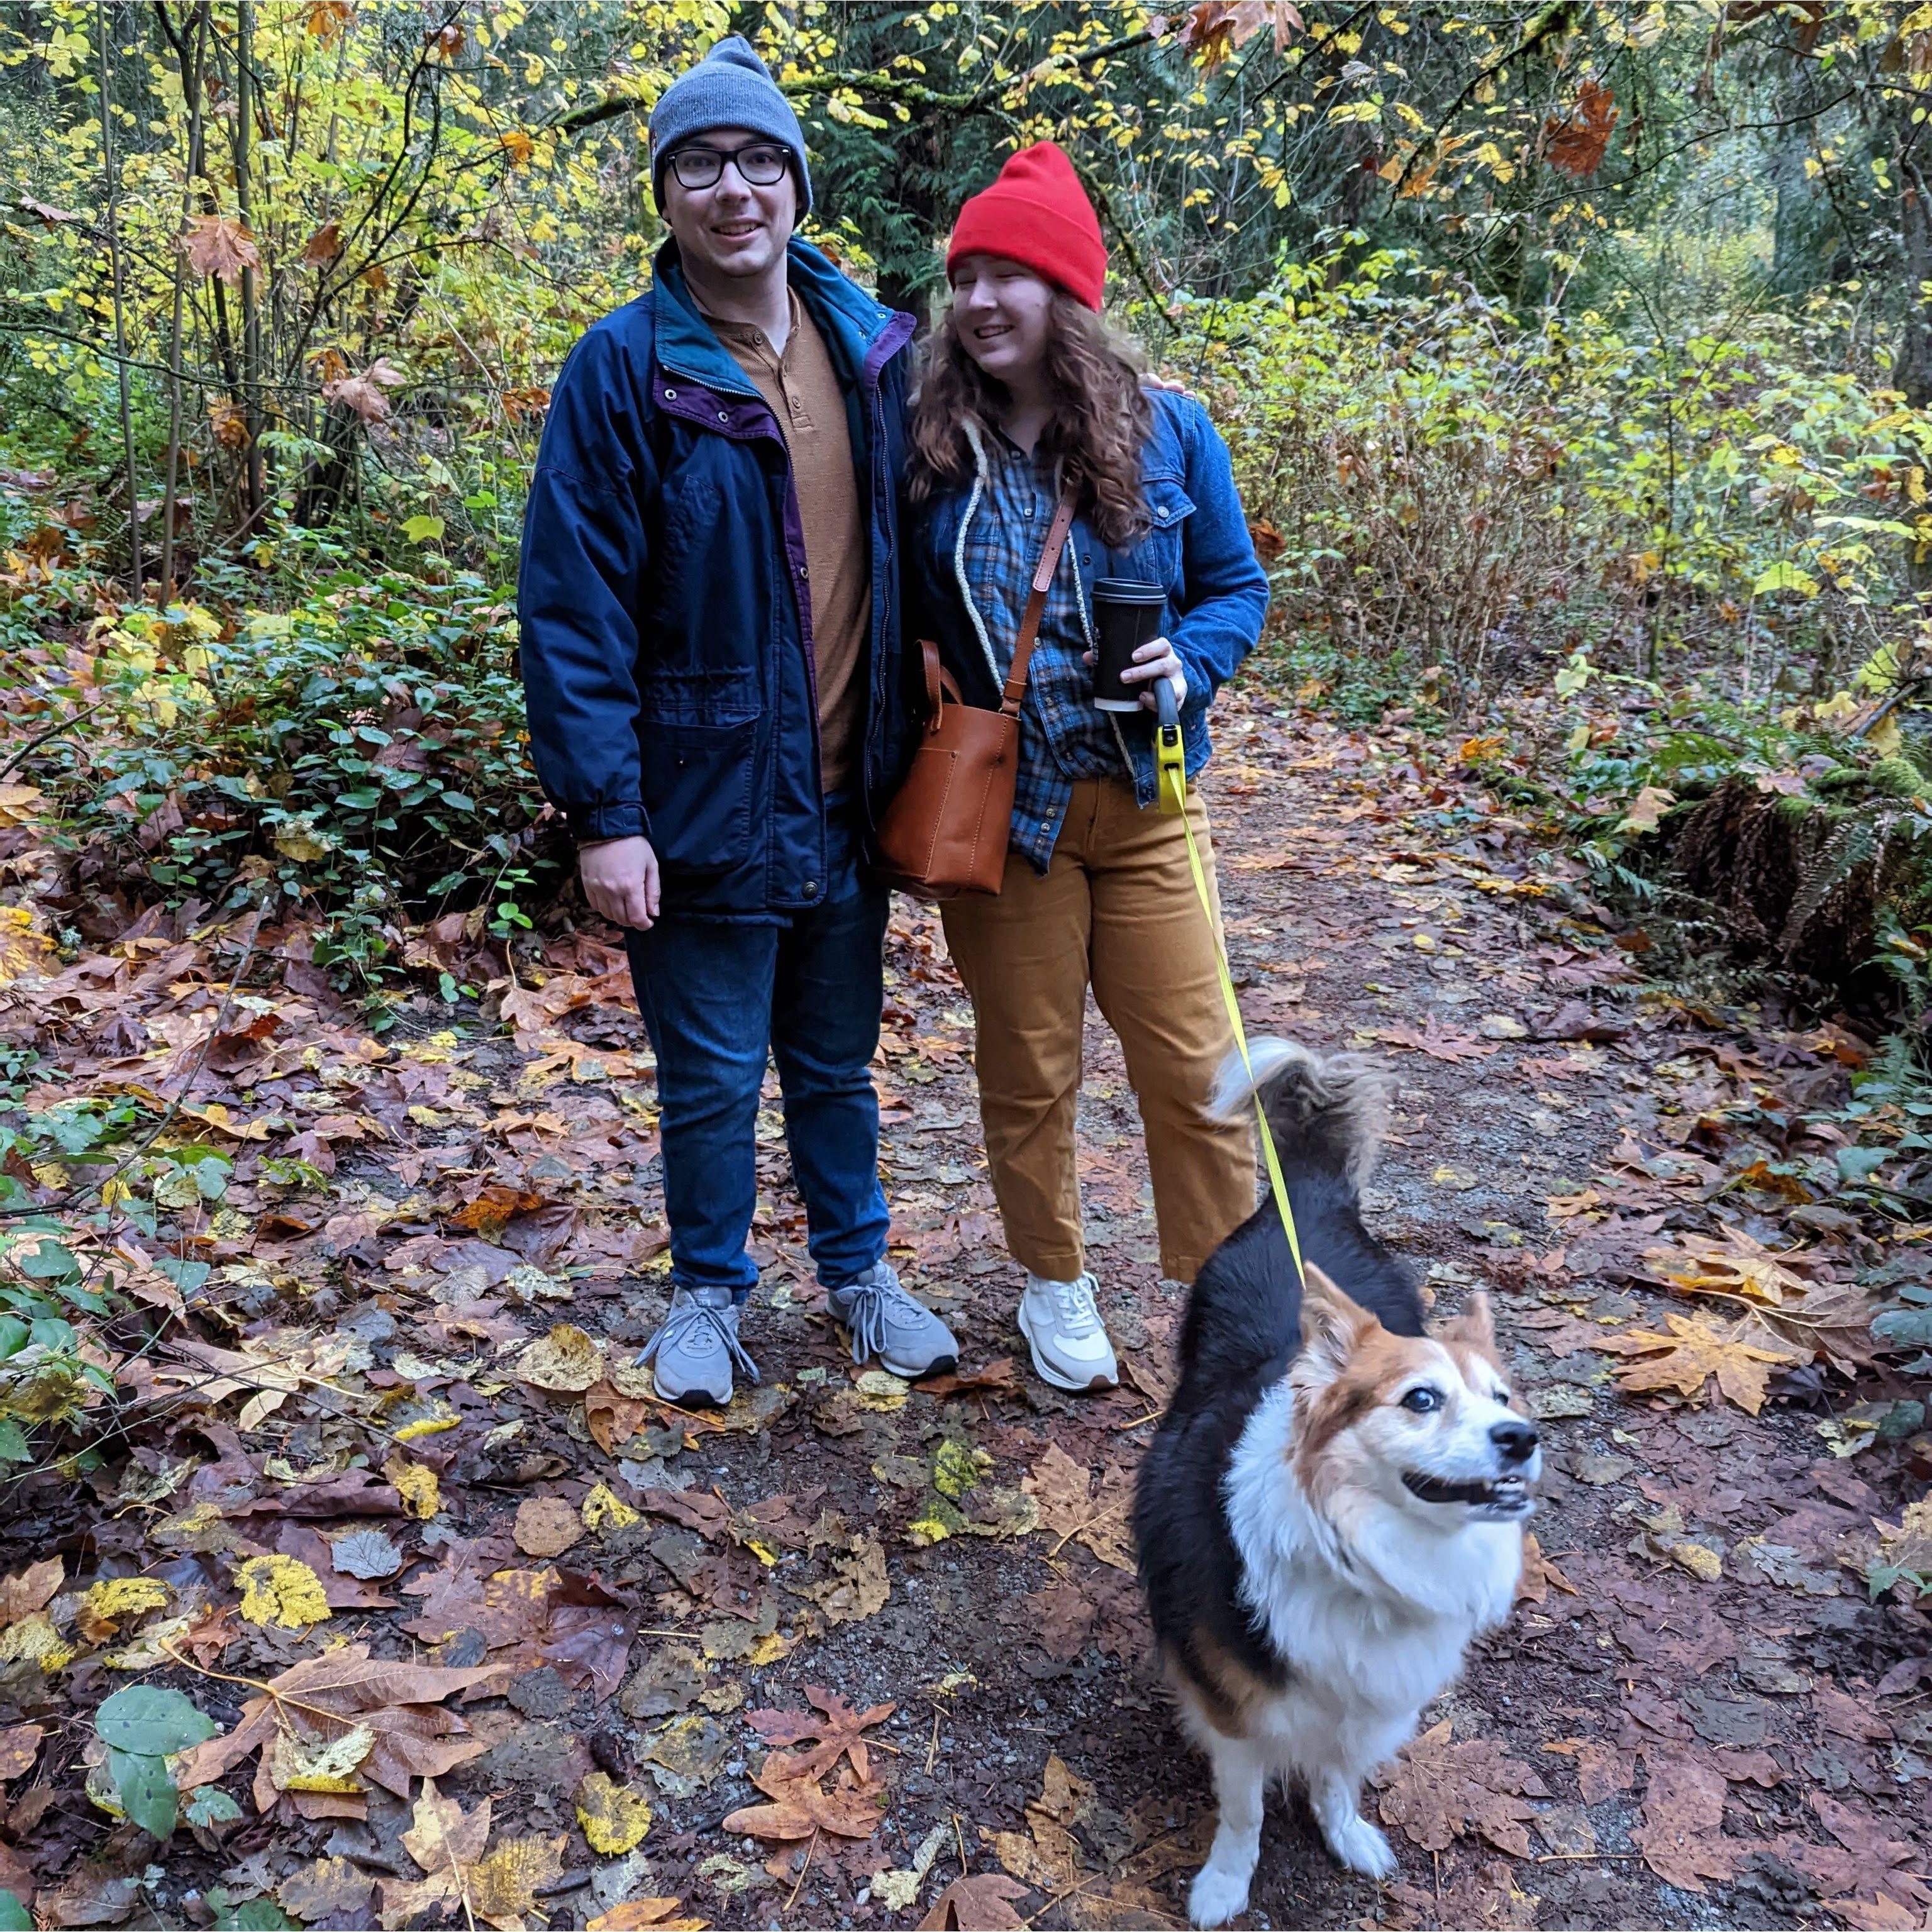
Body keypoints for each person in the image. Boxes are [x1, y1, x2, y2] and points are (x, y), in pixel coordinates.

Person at [517, 36, 959, 1406]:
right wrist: (606, 815)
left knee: (835, 1064)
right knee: (710, 1077)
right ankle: (705, 1293)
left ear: (797, 186)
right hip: (700, 792)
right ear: (666, 195)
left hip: (847, 792)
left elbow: (970, 502)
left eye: (760, 159)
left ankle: (859, 1276)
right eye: (700, 163)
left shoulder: (874, 350)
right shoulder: (622, 369)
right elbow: (572, 608)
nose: (733, 189)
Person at [907, 143, 1270, 1394]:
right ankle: (1053, 1279)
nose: (981, 300)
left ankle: (1230, 1301)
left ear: (1069, 294)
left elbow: (1236, 586)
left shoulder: (1172, 429)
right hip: (1006, 819)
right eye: (965, 276)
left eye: (1010, 274)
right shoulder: (927, 444)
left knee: (1199, 1068)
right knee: (1030, 1070)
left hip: (1149, 803)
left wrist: (1193, 663)